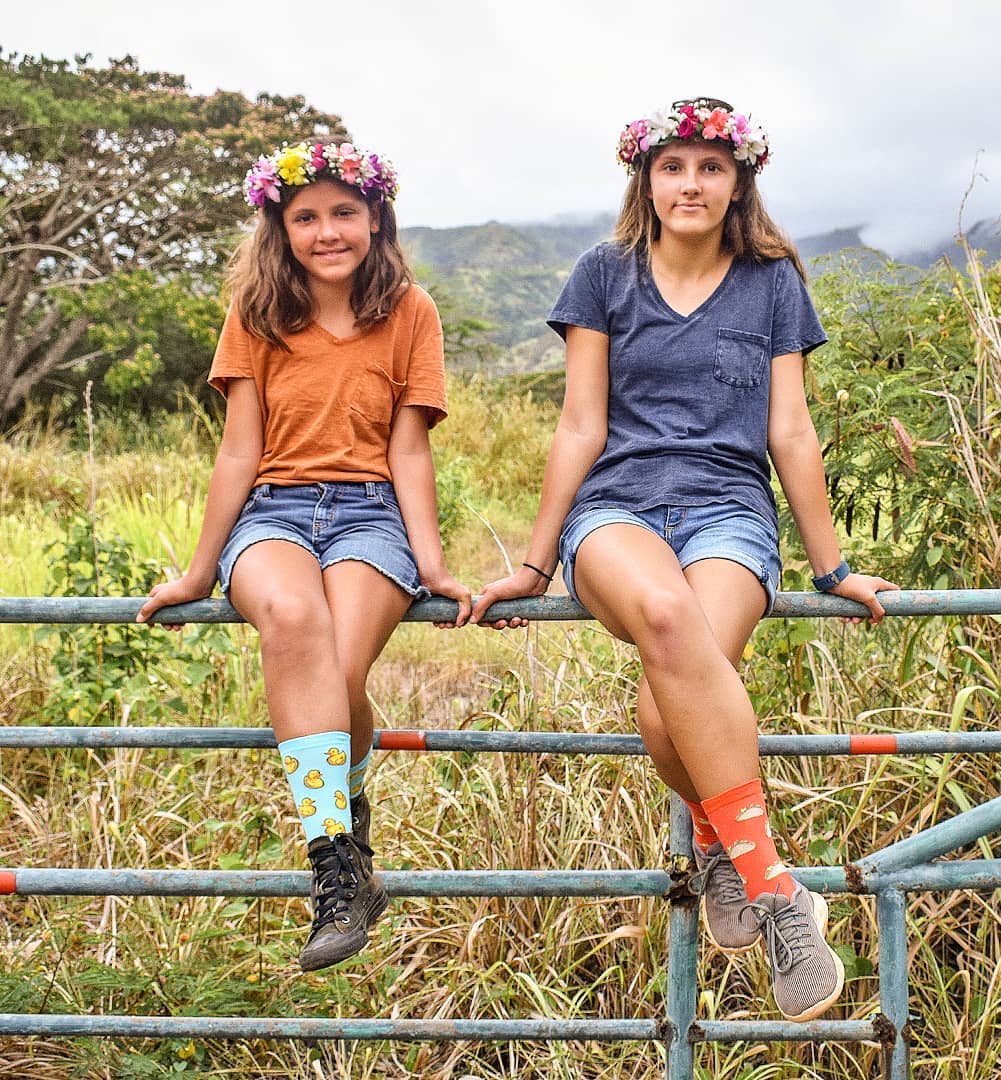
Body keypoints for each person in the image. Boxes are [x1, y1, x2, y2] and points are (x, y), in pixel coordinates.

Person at [471, 97, 898, 1022]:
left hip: (729, 512)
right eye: (673, 166)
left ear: (740, 178)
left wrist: (832, 570)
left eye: (710, 166)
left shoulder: (774, 280)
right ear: (646, 178)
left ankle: (716, 845)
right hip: (616, 510)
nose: (691, 183)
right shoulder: (603, 275)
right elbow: (581, 424)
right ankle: (776, 887)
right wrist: (536, 564)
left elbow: (790, 429)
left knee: (673, 696)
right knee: (668, 622)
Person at [137, 140, 471, 972]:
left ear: (375, 218)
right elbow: (238, 451)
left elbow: (409, 452)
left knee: (340, 670)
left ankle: (347, 821)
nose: (327, 231)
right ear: (280, 228)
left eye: (343, 213)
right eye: (306, 217)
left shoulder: (410, 311)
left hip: (370, 515)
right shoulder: (256, 314)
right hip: (273, 513)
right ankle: (335, 865)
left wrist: (430, 562)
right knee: (292, 623)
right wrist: (195, 568)